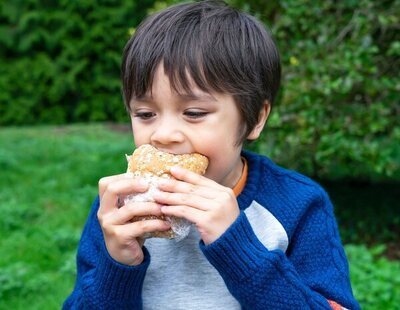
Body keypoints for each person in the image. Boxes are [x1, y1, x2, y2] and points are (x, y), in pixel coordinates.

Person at [63, 1, 360, 309]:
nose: (163, 135)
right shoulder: (117, 208)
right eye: (145, 113)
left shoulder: (298, 205)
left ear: (255, 118)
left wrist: (240, 251)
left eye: (193, 112)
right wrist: (117, 265)